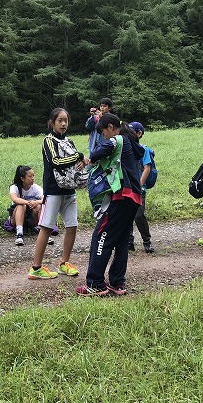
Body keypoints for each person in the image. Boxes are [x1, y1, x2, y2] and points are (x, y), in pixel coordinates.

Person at [77, 113, 144, 296]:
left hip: (120, 196)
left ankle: (95, 283)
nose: (103, 136)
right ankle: (117, 282)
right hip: (134, 197)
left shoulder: (117, 140)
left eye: (103, 132)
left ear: (111, 128)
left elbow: (98, 152)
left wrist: (90, 159)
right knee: (121, 239)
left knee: (101, 236)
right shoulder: (131, 141)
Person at [29, 108, 87, 280]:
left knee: (72, 226)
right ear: (52, 122)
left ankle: (64, 263)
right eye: (60, 120)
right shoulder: (48, 141)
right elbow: (56, 162)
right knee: (46, 227)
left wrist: (81, 160)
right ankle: (36, 268)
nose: (63, 124)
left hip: (69, 189)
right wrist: (79, 156)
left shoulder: (69, 141)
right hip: (53, 190)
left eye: (66, 121)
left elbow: (78, 162)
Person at [8, 165, 55, 247]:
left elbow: (45, 199)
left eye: (33, 175)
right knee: (21, 205)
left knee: (39, 206)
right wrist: (28, 202)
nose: (33, 178)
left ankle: (43, 232)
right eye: (30, 176)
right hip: (16, 219)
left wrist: (36, 202)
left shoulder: (36, 188)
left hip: (32, 219)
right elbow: (14, 199)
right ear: (22, 178)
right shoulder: (14, 187)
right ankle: (19, 234)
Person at [127, 122, 155, 254]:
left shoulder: (143, 149)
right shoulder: (127, 148)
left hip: (139, 189)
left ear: (139, 133)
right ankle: (129, 241)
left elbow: (147, 168)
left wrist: (138, 185)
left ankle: (147, 241)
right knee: (126, 216)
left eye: (133, 132)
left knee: (138, 215)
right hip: (127, 187)